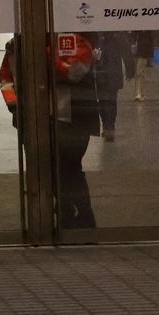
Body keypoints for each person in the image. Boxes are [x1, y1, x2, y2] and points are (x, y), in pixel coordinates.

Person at [54, 31, 98, 228]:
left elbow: (73, 73)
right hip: (56, 117)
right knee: (56, 167)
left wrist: (48, 54)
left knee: (71, 167)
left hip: (77, 118)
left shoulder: (80, 43)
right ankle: (66, 208)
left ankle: (84, 213)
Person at [93, 31, 132, 142]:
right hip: (101, 75)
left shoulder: (118, 35)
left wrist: (130, 70)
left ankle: (109, 128)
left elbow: (127, 52)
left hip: (112, 74)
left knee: (110, 101)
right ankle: (106, 126)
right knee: (102, 102)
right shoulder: (98, 35)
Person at [132, 30, 154, 102]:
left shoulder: (145, 34)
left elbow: (149, 43)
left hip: (142, 54)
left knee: (139, 73)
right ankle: (141, 93)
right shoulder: (140, 34)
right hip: (139, 54)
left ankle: (139, 94)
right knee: (140, 74)